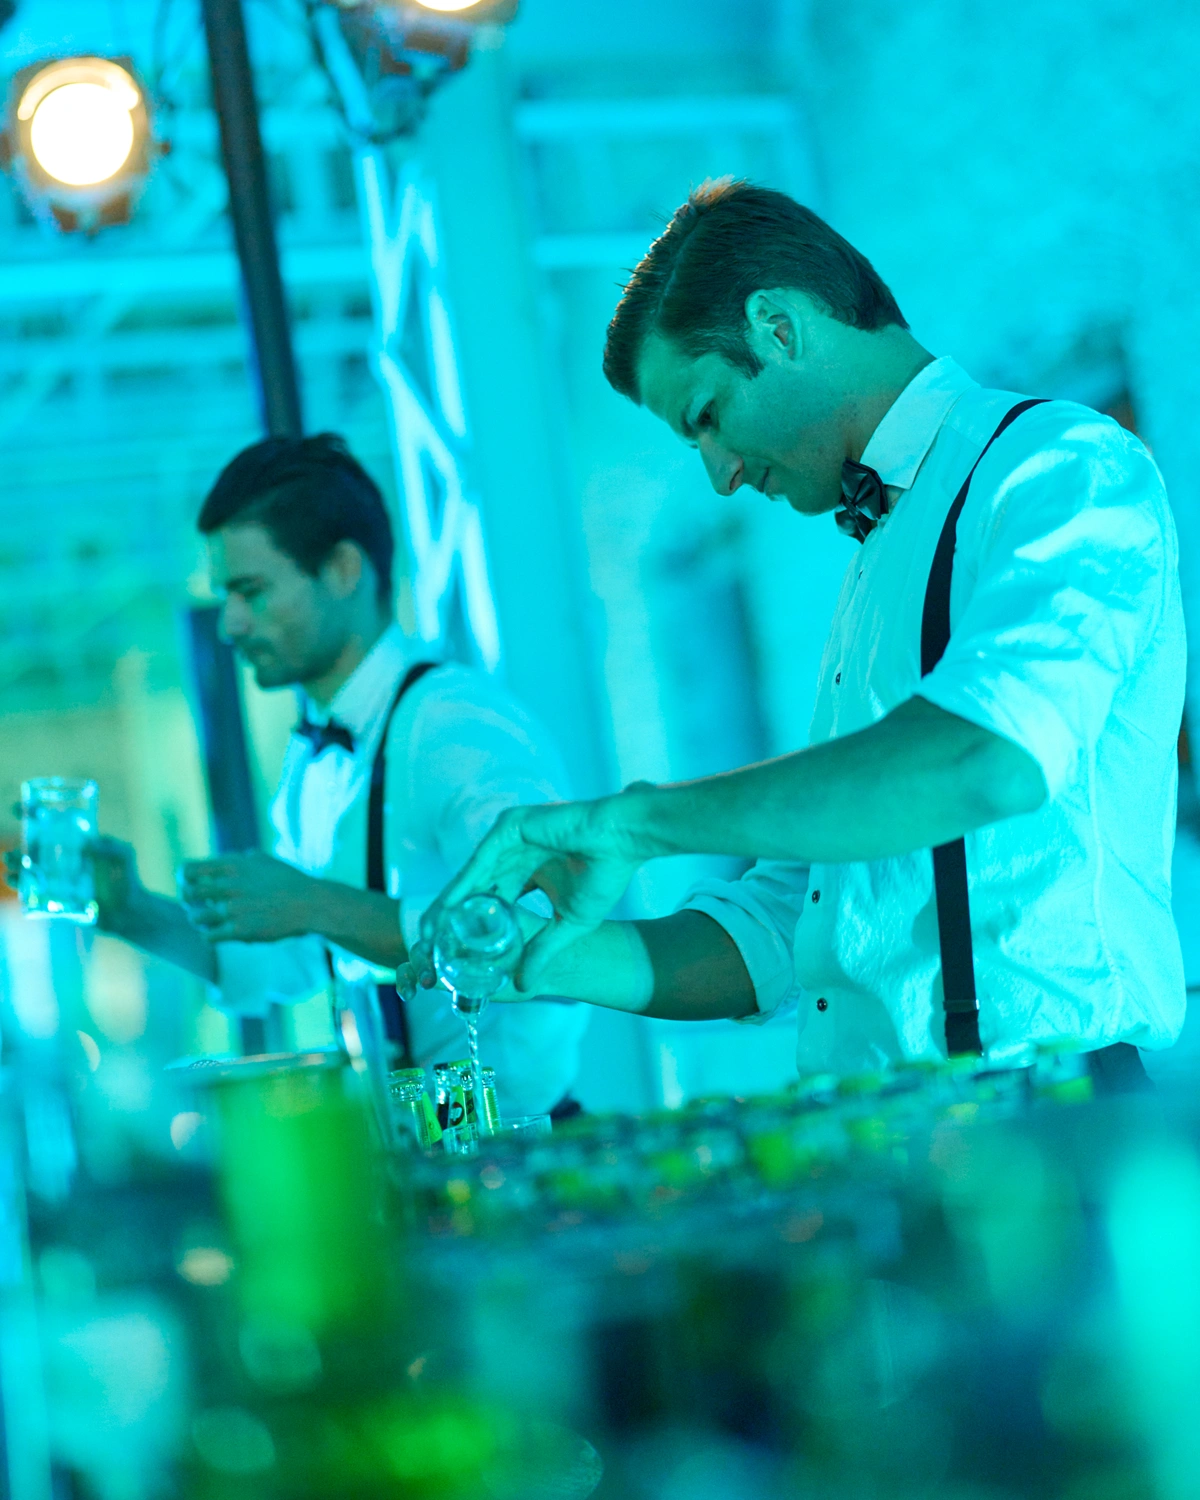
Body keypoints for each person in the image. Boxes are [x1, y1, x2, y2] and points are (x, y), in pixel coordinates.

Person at [410, 178, 1184, 1090]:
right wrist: (543, 957)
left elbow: (986, 759)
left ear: (780, 328)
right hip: (893, 1123)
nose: (721, 475)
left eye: (707, 417)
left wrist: (633, 824)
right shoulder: (876, 555)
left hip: (1046, 1111)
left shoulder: (1058, 466)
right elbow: (794, 917)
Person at [71, 435, 587, 1117]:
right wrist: (132, 911)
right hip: (419, 1144)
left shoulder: (452, 725)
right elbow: (289, 960)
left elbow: (548, 939)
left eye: (250, 591)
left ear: (344, 570)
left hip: (517, 1140)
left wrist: (311, 901)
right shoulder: (312, 758)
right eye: (226, 595)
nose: (229, 625)